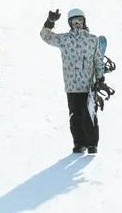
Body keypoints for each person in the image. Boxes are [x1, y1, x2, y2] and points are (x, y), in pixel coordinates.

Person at [40, 8, 106, 154]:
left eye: (80, 21)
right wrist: (50, 22)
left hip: (88, 86)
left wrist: (100, 77)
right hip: (71, 86)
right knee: (75, 117)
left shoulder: (92, 40)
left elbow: (98, 60)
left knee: (89, 115)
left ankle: (92, 144)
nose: (77, 24)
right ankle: (79, 144)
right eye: (74, 21)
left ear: (84, 22)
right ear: (70, 23)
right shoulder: (65, 40)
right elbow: (45, 36)